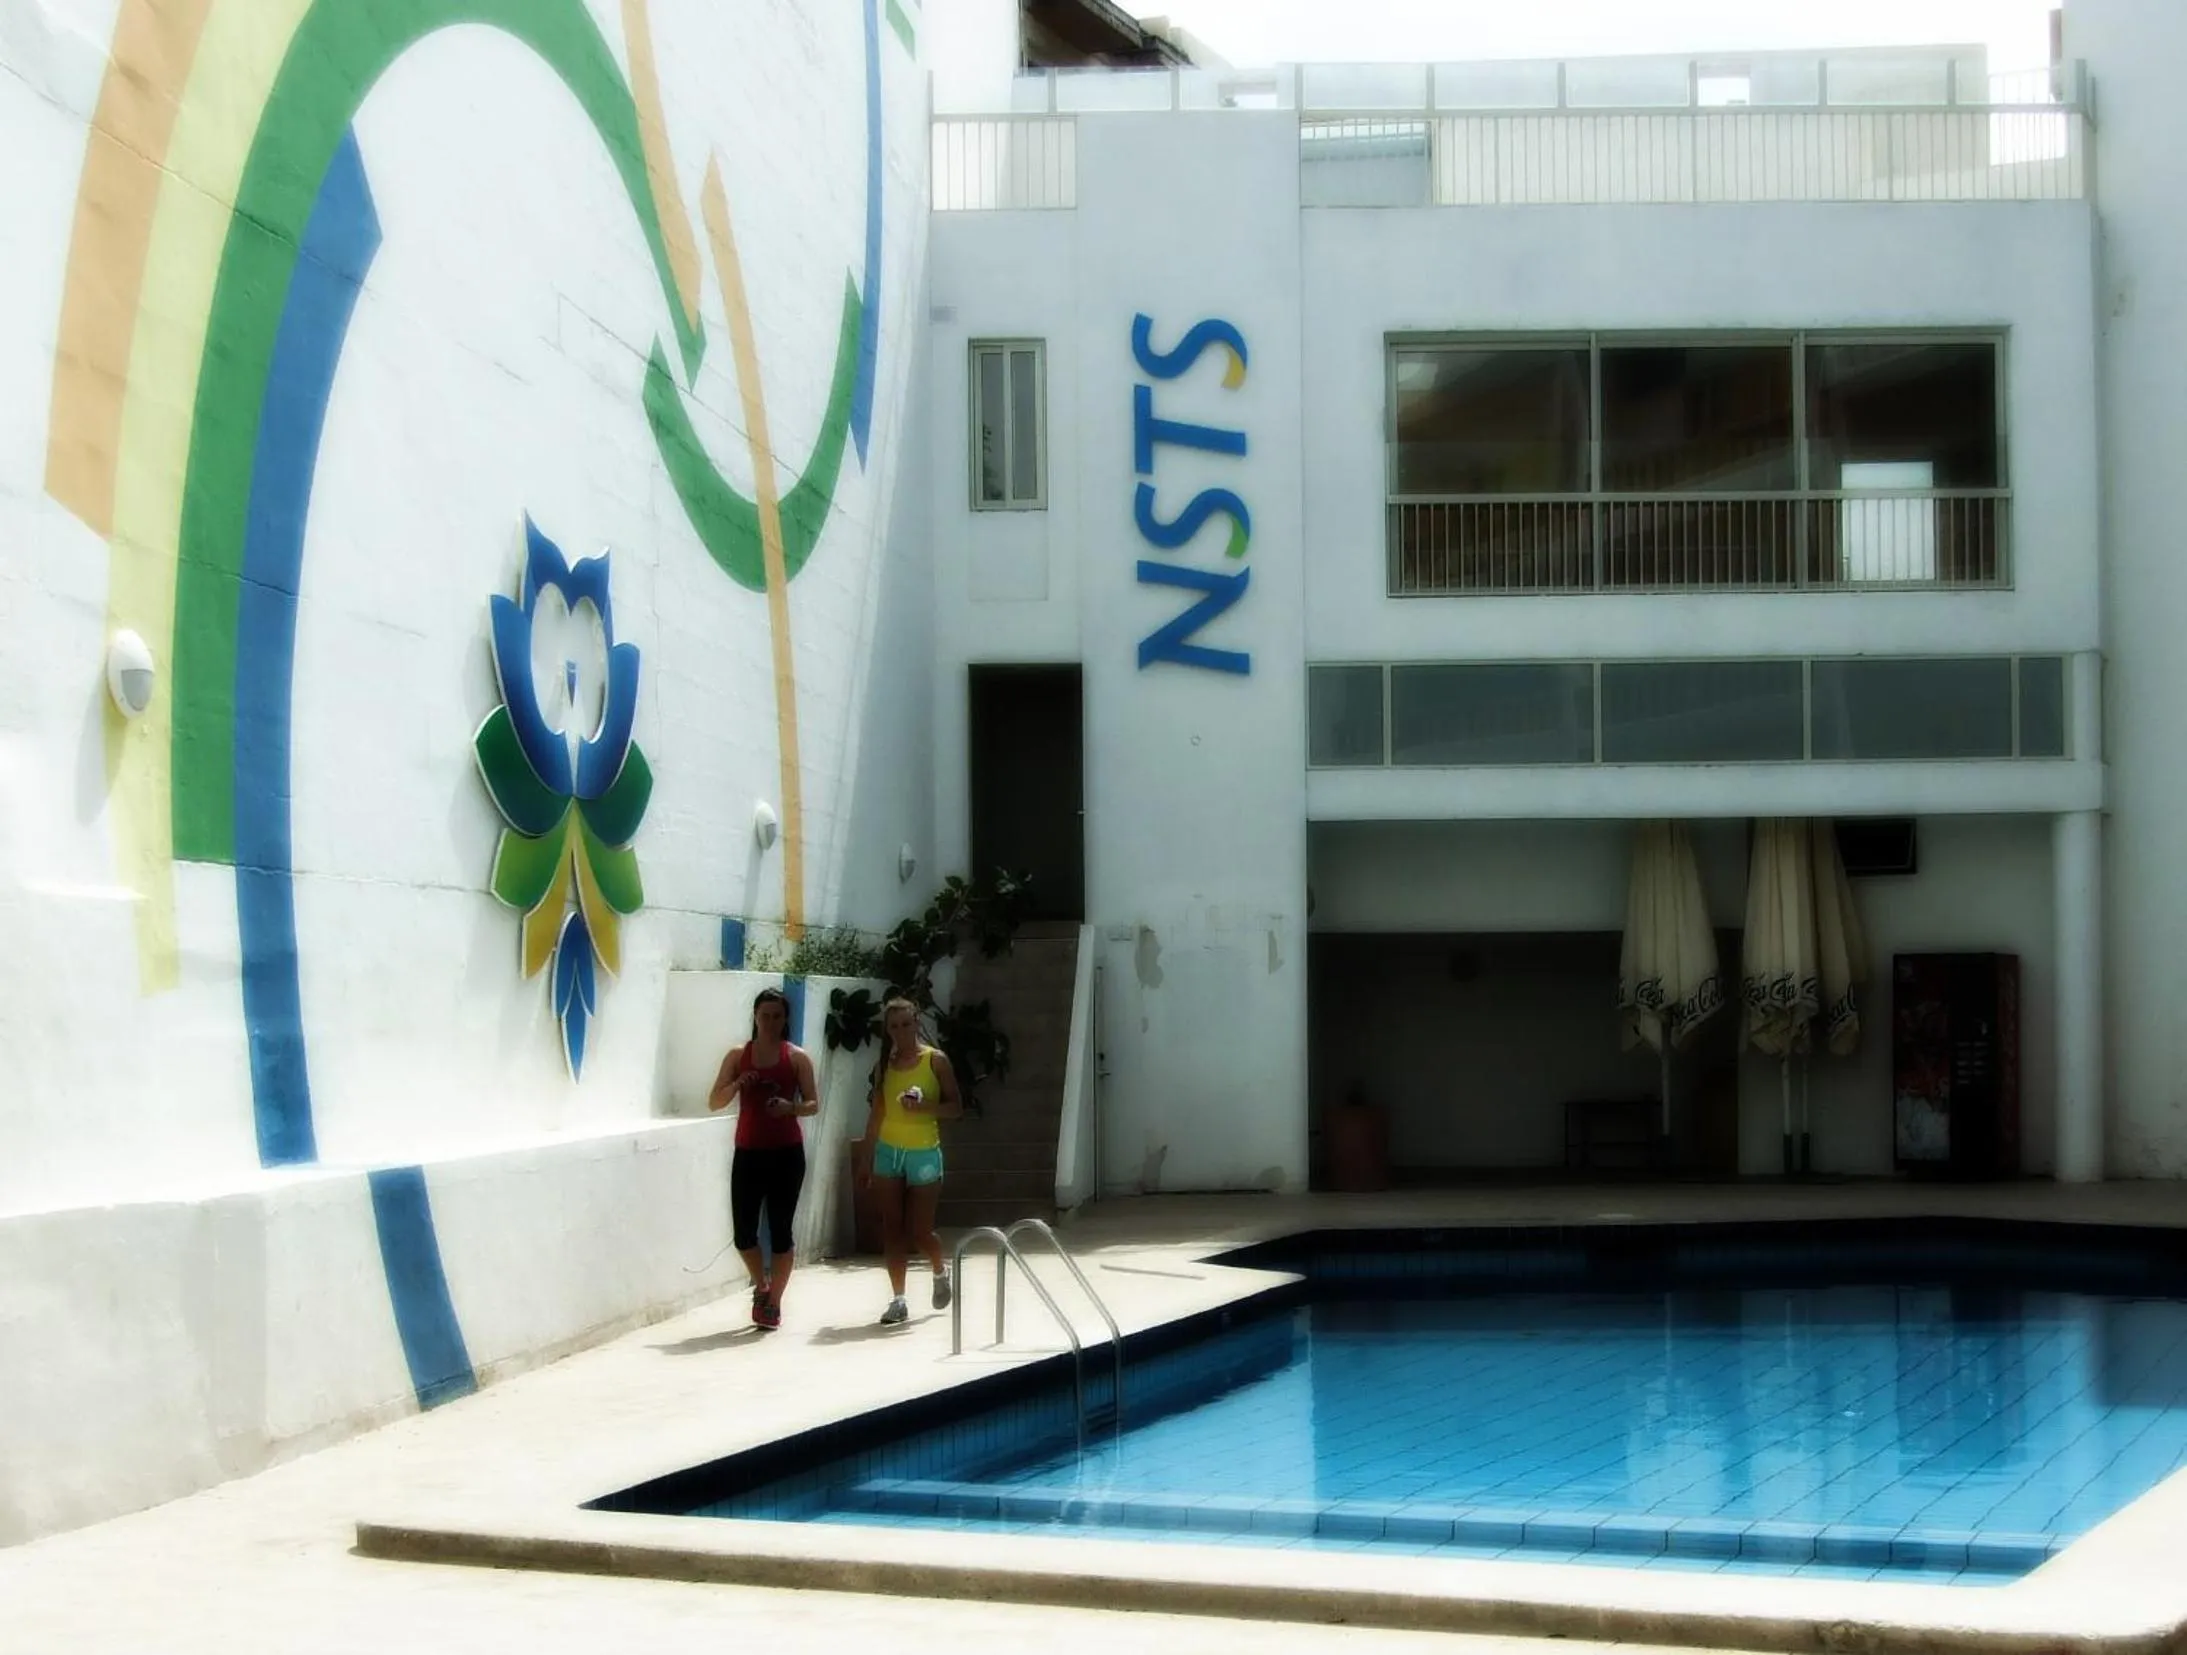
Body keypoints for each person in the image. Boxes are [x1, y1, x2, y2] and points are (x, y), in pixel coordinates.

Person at [708, 987, 819, 1329]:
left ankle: (774, 1302)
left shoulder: (797, 1057)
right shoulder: (737, 1055)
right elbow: (714, 1101)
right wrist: (739, 1082)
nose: (770, 1022)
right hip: (749, 1152)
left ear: (785, 1019)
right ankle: (761, 1283)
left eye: (777, 1016)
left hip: (786, 1154)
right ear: (755, 1017)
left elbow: (813, 1104)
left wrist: (791, 1107)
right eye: (764, 1015)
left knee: (781, 1230)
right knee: (744, 1233)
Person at [860, 997, 961, 1325]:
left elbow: (955, 1107)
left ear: (917, 1023)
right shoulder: (883, 1065)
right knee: (892, 1227)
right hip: (889, 1151)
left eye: (906, 1024)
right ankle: (898, 1298)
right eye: (894, 1026)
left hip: (924, 1152)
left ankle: (939, 1269)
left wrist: (925, 1107)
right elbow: (876, 1114)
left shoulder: (935, 1061)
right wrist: (866, 1158)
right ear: (887, 1031)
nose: (901, 1031)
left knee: (920, 1231)